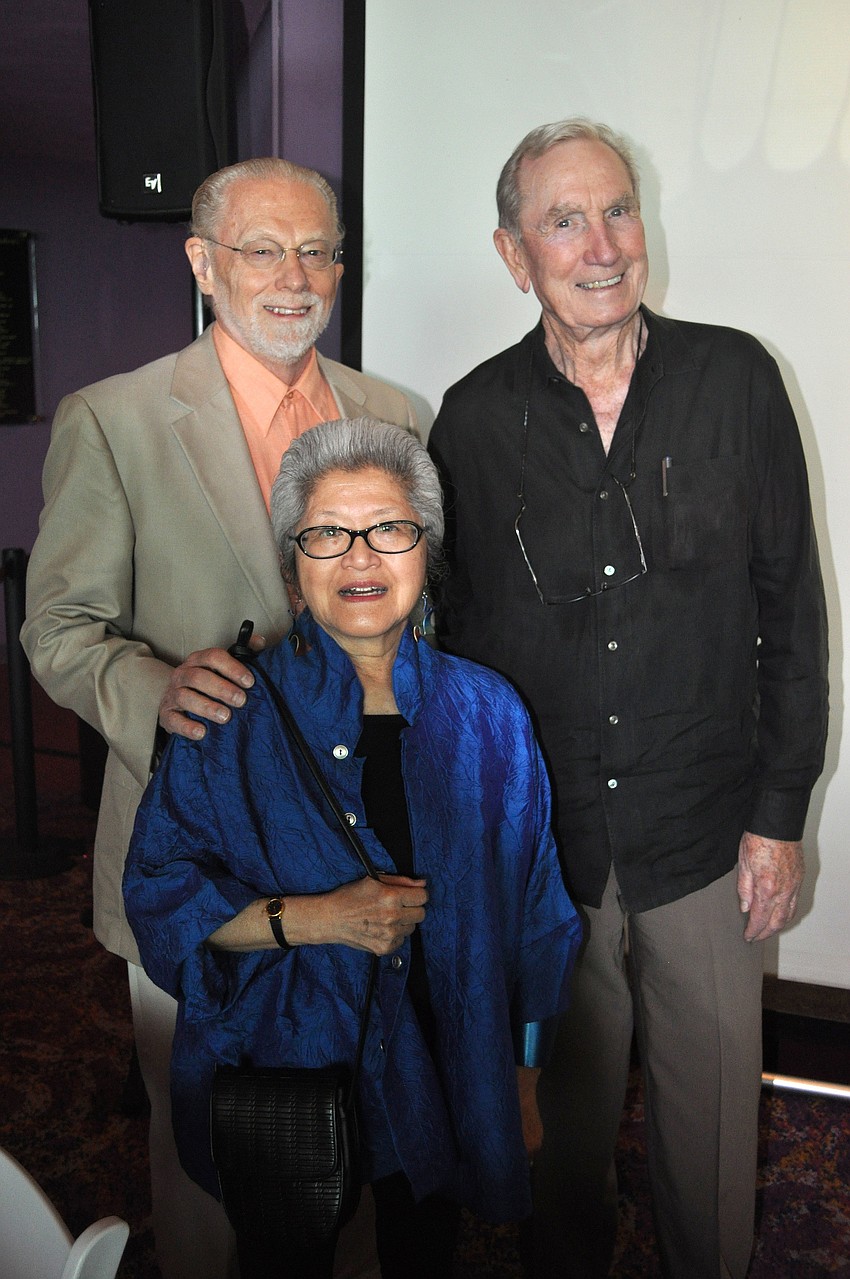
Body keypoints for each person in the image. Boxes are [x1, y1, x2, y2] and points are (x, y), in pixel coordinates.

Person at [427, 119, 828, 1279]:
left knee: (711, 1142)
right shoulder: (471, 420)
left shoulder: (736, 380)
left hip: (704, 839)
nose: (600, 245)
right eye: (563, 221)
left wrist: (779, 815)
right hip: (545, 851)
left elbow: (793, 613)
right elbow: (453, 652)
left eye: (617, 210)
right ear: (514, 254)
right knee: (561, 1142)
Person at [21, 157, 418, 1279]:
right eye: (262, 250)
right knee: (203, 1141)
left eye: (318, 252)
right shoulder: (115, 419)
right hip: (190, 853)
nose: (295, 277)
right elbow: (59, 628)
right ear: (203, 263)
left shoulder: (397, 415)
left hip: (359, 848)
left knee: (358, 1115)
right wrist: (153, 691)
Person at [122, 416, 582, 1279]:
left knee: (423, 1257)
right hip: (288, 1065)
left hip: (444, 1063)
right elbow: (158, 891)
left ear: (426, 552)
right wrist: (317, 918)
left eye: (389, 529)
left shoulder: (489, 716)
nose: (360, 557)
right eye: (328, 533)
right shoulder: (230, 712)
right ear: (293, 568)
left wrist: (523, 1077)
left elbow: (540, 918)